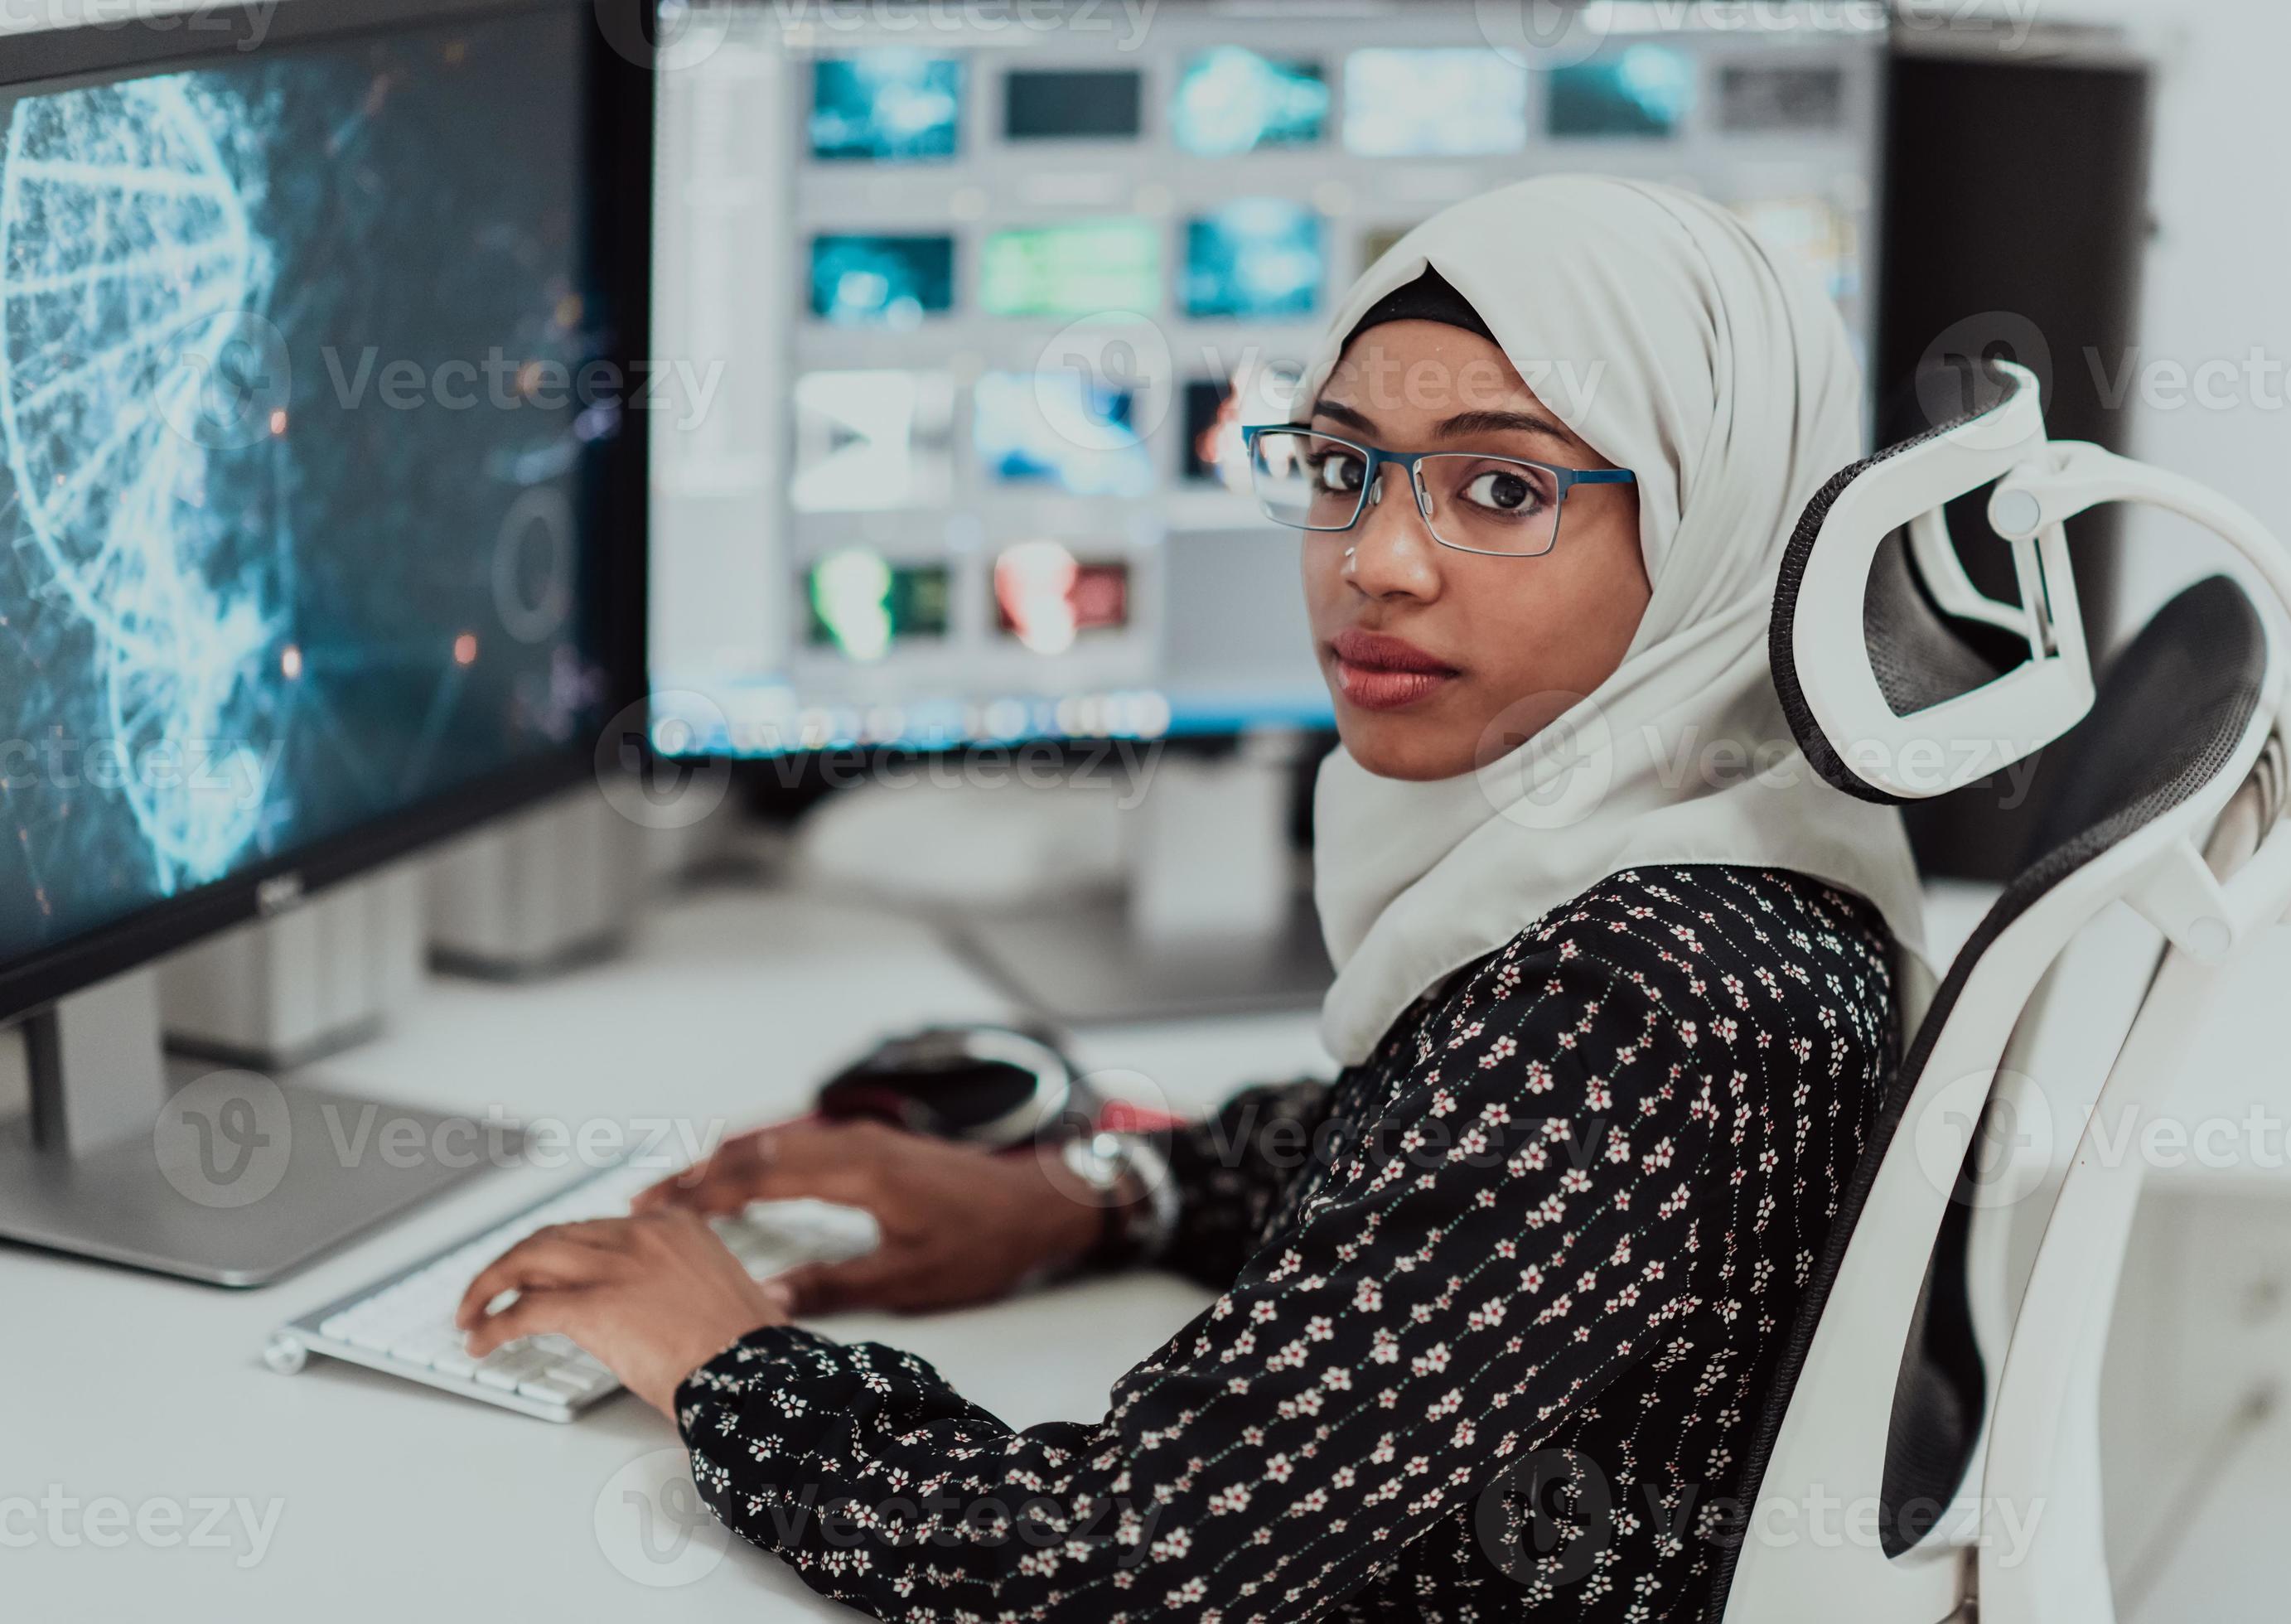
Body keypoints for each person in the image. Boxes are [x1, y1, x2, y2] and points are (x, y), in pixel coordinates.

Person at [456, 176, 1931, 1620]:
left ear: (1714, 525)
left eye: (1504, 488)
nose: (1376, 563)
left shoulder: (1635, 1000)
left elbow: (1120, 1567)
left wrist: (727, 1364)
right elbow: (1425, 1184)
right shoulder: (1732, 865)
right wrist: (1090, 1196)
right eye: (1344, 468)